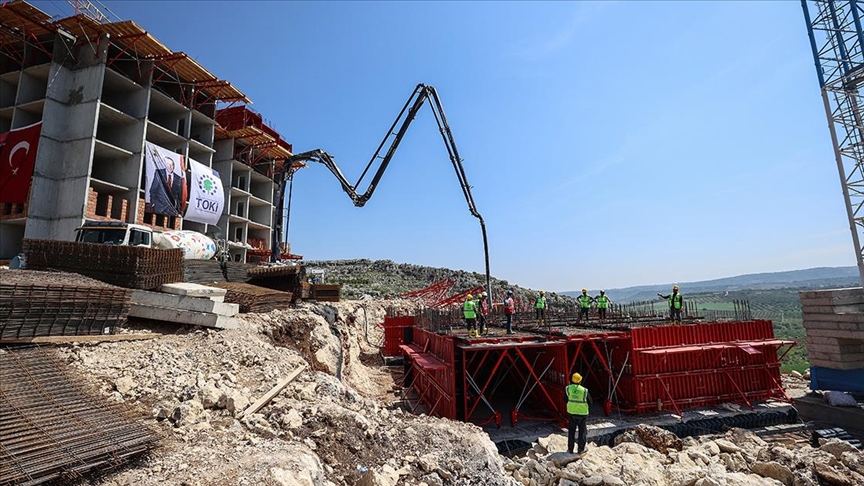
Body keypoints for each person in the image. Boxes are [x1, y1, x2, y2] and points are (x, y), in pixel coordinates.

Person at [565, 372, 591, 455]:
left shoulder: (568, 389)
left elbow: (565, 399)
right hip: (582, 414)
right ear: (580, 381)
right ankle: (580, 450)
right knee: (582, 432)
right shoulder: (584, 390)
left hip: (571, 412)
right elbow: (590, 401)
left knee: (571, 431)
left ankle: (570, 449)